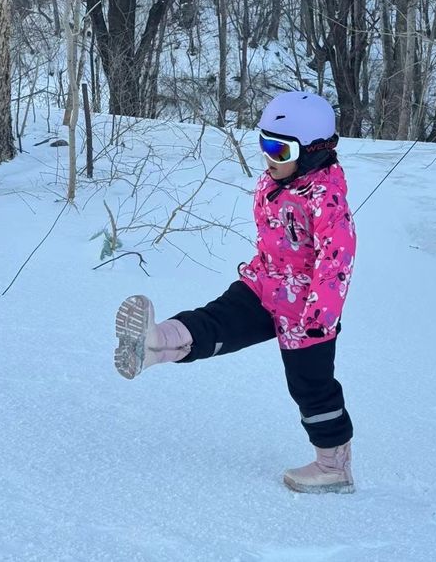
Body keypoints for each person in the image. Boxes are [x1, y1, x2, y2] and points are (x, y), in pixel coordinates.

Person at [114, 91, 357, 493]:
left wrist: (319, 317)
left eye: (279, 149)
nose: (268, 157)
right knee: (217, 319)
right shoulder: (277, 183)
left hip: (306, 313)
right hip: (264, 286)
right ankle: (156, 343)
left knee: (310, 385)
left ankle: (333, 467)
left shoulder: (326, 199)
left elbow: (337, 259)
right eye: (264, 144)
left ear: (315, 151)